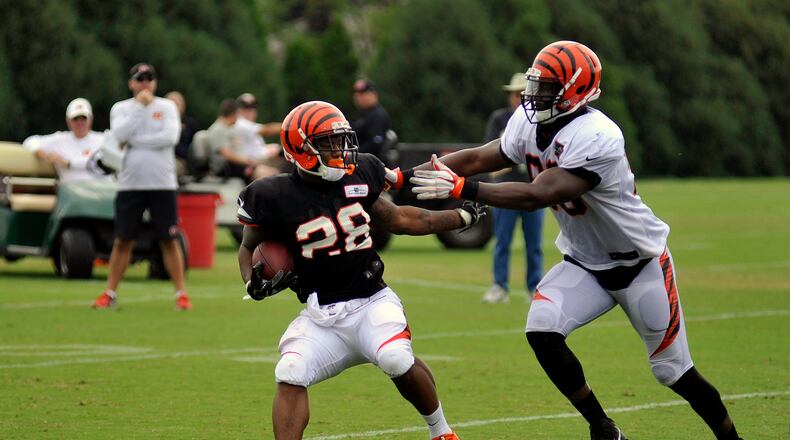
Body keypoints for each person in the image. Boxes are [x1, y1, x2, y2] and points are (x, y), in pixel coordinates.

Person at [392, 41, 742, 440]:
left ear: (576, 90)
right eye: (535, 85)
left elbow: (539, 194)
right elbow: (477, 158)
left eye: (547, 87)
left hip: (639, 264)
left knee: (674, 373)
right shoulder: (530, 123)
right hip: (585, 263)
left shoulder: (598, 135)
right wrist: (401, 177)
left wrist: (463, 188)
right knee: (542, 330)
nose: (534, 95)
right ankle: (603, 428)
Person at [236, 101, 484, 440]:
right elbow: (248, 247)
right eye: (328, 142)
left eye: (341, 140)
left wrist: (460, 217)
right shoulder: (271, 194)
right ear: (300, 148)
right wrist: (252, 281)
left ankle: (441, 433)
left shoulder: (361, 172)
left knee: (396, 358)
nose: (340, 150)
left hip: (371, 302)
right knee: (290, 370)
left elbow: (401, 219)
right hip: (321, 316)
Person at [93, 62, 191, 311]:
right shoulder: (122, 108)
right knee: (123, 239)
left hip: (162, 183)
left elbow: (170, 137)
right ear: (131, 83)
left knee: (169, 239)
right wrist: (139, 109)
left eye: (149, 79)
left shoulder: (167, 107)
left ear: (155, 82)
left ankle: (181, 293)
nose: (145, 83)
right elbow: (119, 134)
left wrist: (136, 141)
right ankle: (110, 292)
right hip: (130, 184)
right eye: (140, 79)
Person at [481, 73, 544, 304]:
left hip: (533, 189)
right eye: (515, 94)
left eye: (523, 94)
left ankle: (535, 287)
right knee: (502, 241)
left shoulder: (539, 118)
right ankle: (499, 286)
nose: (519, 98)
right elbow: (490, 151)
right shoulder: (499, 118)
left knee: (534, 243)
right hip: (506, 190)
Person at [22, 98, 111, 183]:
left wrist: (68, 163)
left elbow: (98, 163)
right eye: (75, 119)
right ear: (68, 121)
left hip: (102, 192)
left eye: (83, 118)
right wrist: (44, 155)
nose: (79, 123)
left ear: (90, 119)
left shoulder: (103, 139)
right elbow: (30, 141)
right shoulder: (60, 139)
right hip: (72, 194)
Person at [206, 99, 275, 182]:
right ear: (233, 114)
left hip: (237, 166)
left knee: (272, 173)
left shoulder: (229, 128)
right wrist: (249, 162)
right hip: (227, 168)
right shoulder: (218, 130)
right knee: (270, 174)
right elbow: (228, 155)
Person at [234, 93, 286, 174]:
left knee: (281, 151)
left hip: (259, 160)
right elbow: (267, 130)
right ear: (238, 109)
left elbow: (254, 147)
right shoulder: (240, 123)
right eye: (246, 106)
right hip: (252, 163)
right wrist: (290, 126)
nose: (251, 109)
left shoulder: (247, 124)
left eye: (253, 105)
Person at [350, 79, 390, 160]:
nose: (358, 98)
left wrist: (352, 154)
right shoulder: (363, 114)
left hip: (370, 164)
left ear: (373, 95)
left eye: (363, 94)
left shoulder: (378, 115)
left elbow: (375, 144)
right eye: (357, 95)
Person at [164, 91, 200, 176]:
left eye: (179, 103)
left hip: (178, 160)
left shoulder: (190, 124)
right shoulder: (158, 123)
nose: (176, 107)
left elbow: (190, 151)